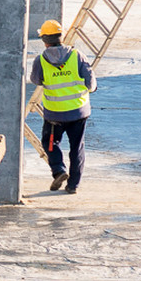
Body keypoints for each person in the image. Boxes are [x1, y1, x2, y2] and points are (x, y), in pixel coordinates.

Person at [29, 19, 96, 194]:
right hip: (78, 112)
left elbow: (36, 80)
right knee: (77, 147)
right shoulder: (77, 55)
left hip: (55, 115)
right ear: (62, 36)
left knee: (50, 143)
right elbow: (91, 84)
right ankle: (73, 185)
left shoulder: (41, 60)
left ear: (44, 40)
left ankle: (59, 170)